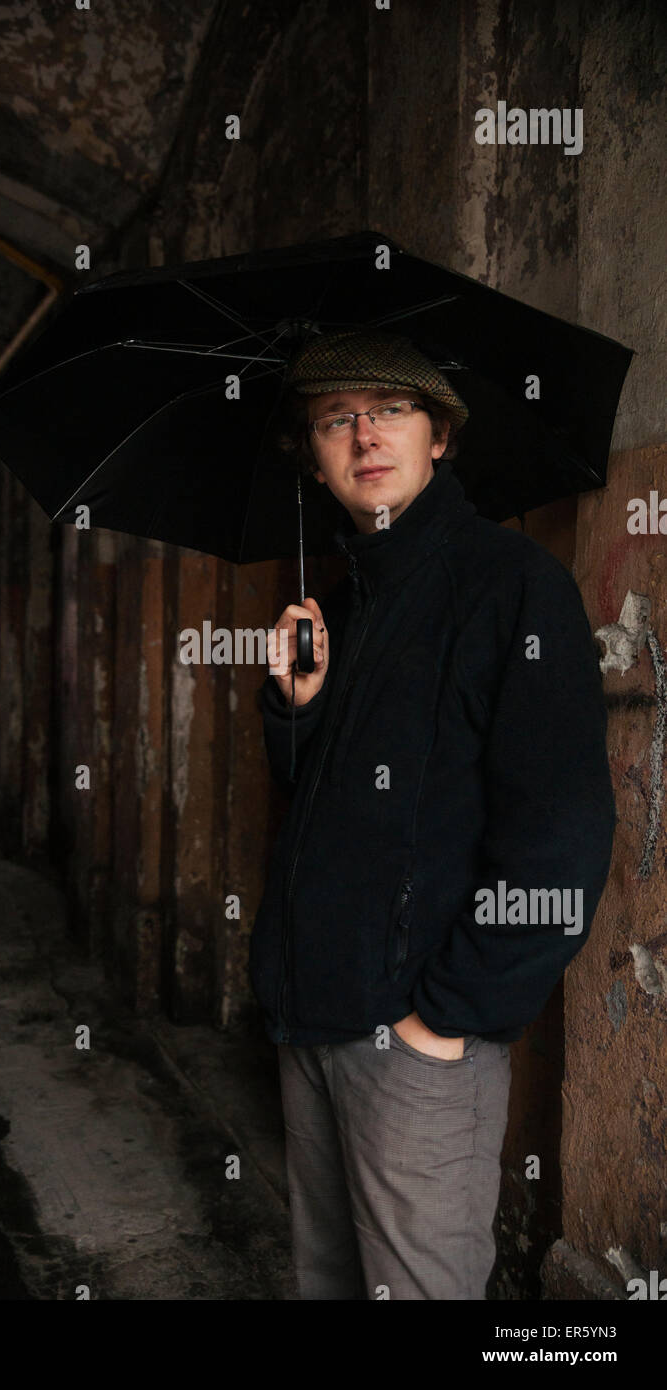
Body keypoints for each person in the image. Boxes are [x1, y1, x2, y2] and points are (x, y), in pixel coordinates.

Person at [249, 327, 616, 1300]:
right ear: (314, 458)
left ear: (439, 436)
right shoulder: (341, 608)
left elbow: (562, 832)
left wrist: (445, 1018)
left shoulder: (511, 586)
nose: (364, 434)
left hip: (417, 1039)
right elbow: (326, 809)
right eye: (335, 419)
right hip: (311, 1017)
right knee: (328, 1282)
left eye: (390, 410)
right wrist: (297, 709)